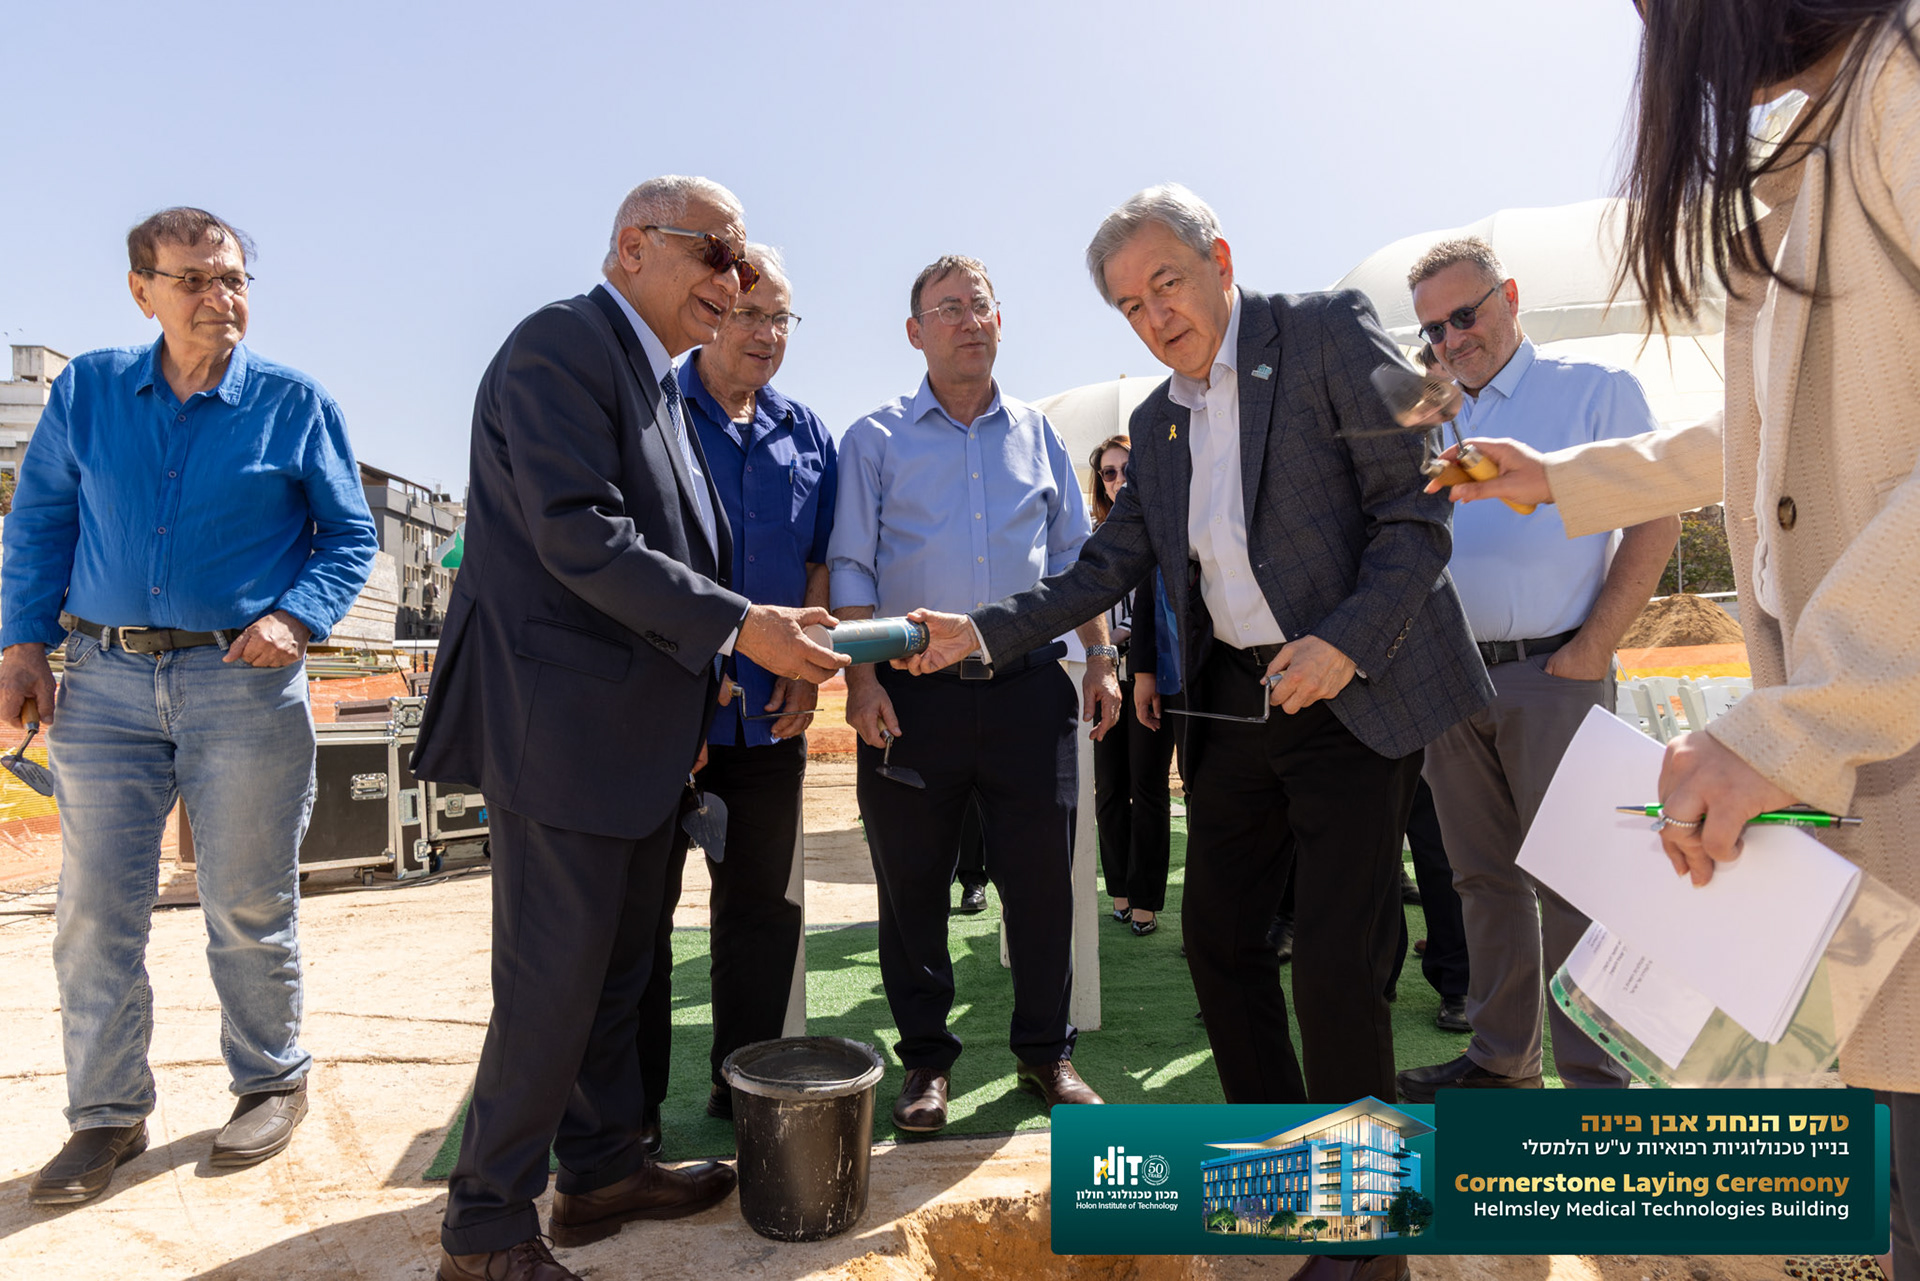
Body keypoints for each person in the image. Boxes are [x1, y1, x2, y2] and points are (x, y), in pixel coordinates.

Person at [1441, 3, 1919, 1274]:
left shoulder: (1903, 85)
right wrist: (1565, 480)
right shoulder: (1828, 134)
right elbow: (1761, 432)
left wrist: (1792, 728)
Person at [902, 186, 1492, 1129]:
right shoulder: (1156, 424)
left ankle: (1362, 1212)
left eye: (1166, 283)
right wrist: (977, 631)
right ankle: (1282, 1148)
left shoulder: (1327, 331)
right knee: (1219, 942)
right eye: (1131, 305)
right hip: (1235, 706)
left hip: (1352, 692)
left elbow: (1418, 506)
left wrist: (1343, 642)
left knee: (1337, 965)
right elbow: (1101, 568)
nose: (1154, 316)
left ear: (1219, 259)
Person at [409, 176, 846, 1281]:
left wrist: (695, 696)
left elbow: (667, 558)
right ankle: (486, 1229)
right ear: (632, 247)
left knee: (614, 975)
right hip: (562, 735)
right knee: (551, 986)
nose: (734, 281)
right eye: (716, 254)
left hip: (634, 740)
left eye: (744, 264)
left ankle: (602, 1172)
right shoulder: (561, 346)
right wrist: (744, 626)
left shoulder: (649, 379)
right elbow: (581, 536)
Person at [0, 207, 378, 1205]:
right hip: (104, 680)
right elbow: (40, 521)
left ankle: (271, 1081)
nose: (221, 298)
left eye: (234, 279)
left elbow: (349, 537)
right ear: (143, 291)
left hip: (242, 682)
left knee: (248, 902)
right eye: (196, 280)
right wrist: (21, 644)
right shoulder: (88, 391)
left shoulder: (294, 403)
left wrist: (298, 617)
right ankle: (106, 1114)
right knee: (94, 911)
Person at [826, 253, 1120, 1135]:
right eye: (946, 308)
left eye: (979, 305)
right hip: (912, 700)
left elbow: (1075, 563)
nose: (966, 320)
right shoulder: (874, 438)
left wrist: (1101, 658)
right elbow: (852, 567)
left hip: (1030, 693)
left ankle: (1046, 1051)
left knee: (1044, 882)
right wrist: (861, 679)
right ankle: (926, 1062)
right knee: (912, 886)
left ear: (1001, 321)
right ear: (915, 333)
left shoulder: (1040, 435)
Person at [1393, 238, 1678, 1104]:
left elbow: (1657, 518)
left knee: (1578, 880)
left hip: (1555, 669)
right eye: (1433, 328)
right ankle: (1502, 1059)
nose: (1451, 338)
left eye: (1464, 314)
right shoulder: (1428, 419)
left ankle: (1597, 1082)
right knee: (1481, 878)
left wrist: (1591, 648)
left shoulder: (1593, 390)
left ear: (1509, 296)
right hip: (1453, 679)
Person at [639, 244, 837, 1137]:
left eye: (780, 318)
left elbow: (819, 561)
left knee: (763, 912)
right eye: (749, 314)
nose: (765, 333)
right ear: (713, 314)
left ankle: (745, 1084)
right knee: (639, 918)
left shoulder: (809, 434)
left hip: (768, 720)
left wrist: (804, 673)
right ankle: (630, 1111)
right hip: (664, 722)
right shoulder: (653, 413)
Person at [1086, 434, 1177, 938]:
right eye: (1109, 472)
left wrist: (1118, 637)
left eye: (1127, 469)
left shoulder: (1165, 530)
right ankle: (1119, 893)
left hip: (1151, 679)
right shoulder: (1091, 539)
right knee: (1108, 790)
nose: (1118, 480)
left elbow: (1163, 609)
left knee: (1148, 788)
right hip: (1103, 681)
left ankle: (1145, 901)